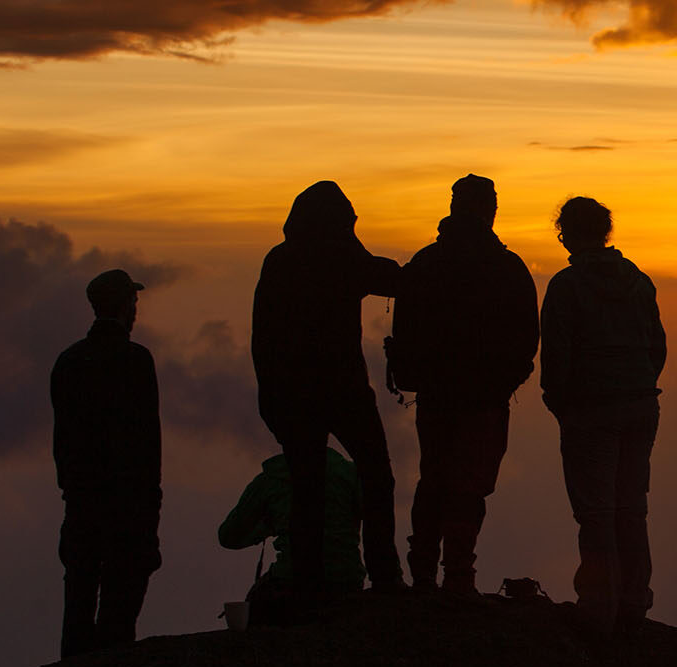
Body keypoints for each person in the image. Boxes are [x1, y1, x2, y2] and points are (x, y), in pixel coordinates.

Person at [251, 180, 405, 594]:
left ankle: (307, 581)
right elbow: (387, 277)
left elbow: (261, 341)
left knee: (307, 487)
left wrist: (270, 399)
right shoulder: (339, 256)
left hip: (291, 397)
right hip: (343, 391)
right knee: (376, 475)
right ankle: (385, 573)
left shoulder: (280, 261)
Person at [393, 174, 539, 595]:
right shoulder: (507, 268)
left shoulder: (425, 263)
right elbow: (527, 336)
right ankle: (459, 574)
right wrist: (505, 381)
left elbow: (404, 329)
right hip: (485, 399)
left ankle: (423, 572)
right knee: (470, 485)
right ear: (490, 209)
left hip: (436, 394)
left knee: (433, 477)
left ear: (455, 207)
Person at [540, 197, 665, 637]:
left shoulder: (566, 286)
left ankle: (598, 606)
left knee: (595, 511)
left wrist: (559, 403)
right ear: (606, 232)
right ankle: (634, 602)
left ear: (566, 234)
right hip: (639, 404)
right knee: (631, 507)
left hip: (590, 410)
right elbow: (657, 347)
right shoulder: (639, 282)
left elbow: (556, 356)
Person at [51, 268, 161, 659]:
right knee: (120, 609)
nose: (136, 310)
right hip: (127, 504)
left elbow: (61, 440)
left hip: (81, 501)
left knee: (78, 603)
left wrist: (72, 488)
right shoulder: (136, 361)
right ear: (123, 306)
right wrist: (151, 510)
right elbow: (149, 445)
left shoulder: (68, 362)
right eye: (133, 302)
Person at [219, 448, 366, 622]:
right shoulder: (349, 473)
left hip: (291, 579)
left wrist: (267, 527)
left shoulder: (271, 478)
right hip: (346, 578)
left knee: (254, 602)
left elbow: (228, 536)